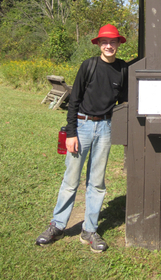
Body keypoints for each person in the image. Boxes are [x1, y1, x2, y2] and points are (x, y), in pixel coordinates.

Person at [36, 24, 128, 252]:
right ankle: (57, 225)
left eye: (113, 41)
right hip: (82, 125)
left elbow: (125, 101)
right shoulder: (89, 65)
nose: (109, 45)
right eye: (104, 42)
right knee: (71, 180)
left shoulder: (123, 69)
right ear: (98, 44)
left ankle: (89, 229)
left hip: (105, 128)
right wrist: (71, 132)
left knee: (97, 182)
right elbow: (73, 100)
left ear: (118, 44)